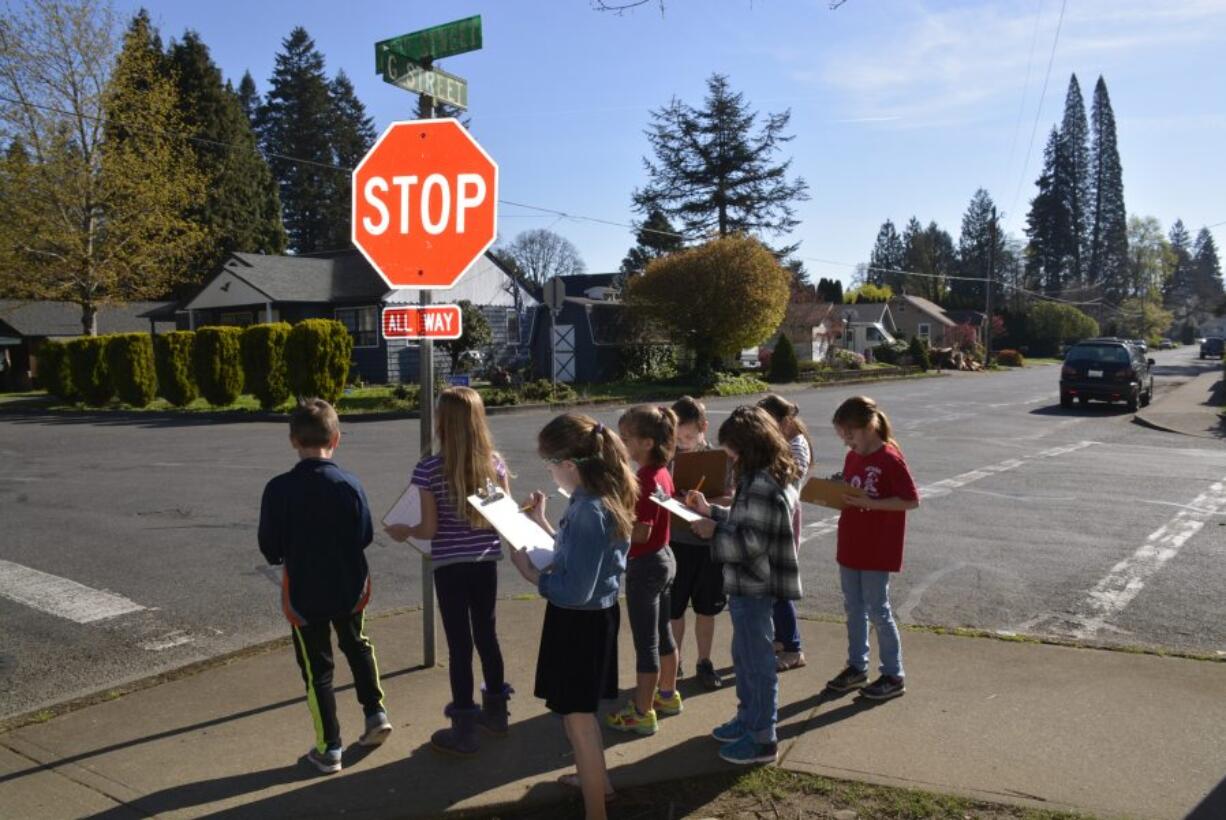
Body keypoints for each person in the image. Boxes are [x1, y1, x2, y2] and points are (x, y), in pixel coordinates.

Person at [508, 413, 637, 820]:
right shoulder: (598, 499)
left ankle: (596, 811)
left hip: (578, 623)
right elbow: (579, 558)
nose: (549, 473)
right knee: (577, 716)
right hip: (594, 620)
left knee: (579, 722)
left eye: (550, 465)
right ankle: (597, 782)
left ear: (569, 466)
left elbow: (574, 588)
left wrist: (531, 575)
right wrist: (542, 522)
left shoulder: (586, 512)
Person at [258, 399, 392, 775]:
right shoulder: (349, 483)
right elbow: (364, 534)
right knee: (357, 645)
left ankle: (329, 746)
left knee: (317, 669)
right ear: (336, 438)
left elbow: (269, 545)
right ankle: (375, 712)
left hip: (304, 591)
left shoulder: (278, 489)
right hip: (349, 584)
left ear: (292, 440)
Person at [384, 386, 512, 756]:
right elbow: (504, 520)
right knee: (487, 635)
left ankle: (464, 728)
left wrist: (403, 531)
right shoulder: (495, 464)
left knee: (459, 644)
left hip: (449, 566)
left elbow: (429, 530)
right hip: (485, 562)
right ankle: (498, 714)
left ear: (442, 422)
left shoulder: (428, 469)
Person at [686, 406, 800, 765]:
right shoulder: (757, 477)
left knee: (757, 662)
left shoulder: (763, 483)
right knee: (745, 657)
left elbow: (752, 541)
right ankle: (748, 718)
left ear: (749, 445)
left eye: (732, 449)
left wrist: (712, 531)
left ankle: (763, 737)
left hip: (755, 584)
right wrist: (712, 512)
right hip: (746, 584)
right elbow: (744, 520)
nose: (728, 455)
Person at [825, 395, 920, 701]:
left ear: (868, 427)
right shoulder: (854, 457)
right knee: (853, 607)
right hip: (851, 542)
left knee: (878, 609)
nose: (846, 443)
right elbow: (854, 484)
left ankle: (893, 674)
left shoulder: (890, 458)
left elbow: (911, 500)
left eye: (849, 435)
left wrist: (870, 503)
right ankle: (856, 666)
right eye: (843, 436)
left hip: (877, 547)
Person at [605, 405, 680, 736]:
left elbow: (641, 532)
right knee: (663, 634)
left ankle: (642, 711)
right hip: (664, 559)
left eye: (626, 438)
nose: (622, 443)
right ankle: (667, 694)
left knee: (645, 643)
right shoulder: (662, 472)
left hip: (646, 565)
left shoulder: (645, 480)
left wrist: (613, 522)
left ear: (647, 443)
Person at [667, 395, 727, 690]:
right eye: (678, 437)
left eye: (689, 436)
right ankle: (673, 663)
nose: (684, 443)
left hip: (708, 547)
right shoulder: (668, 458)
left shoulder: (719, 459)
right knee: (674, 609)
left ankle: (704, 661)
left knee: (706, 608)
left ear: (704, 427)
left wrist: (703, 503)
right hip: (676, 543)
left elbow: (731, 497)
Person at [757, 394, 813, 673]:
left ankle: (793, 648)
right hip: (773, 519)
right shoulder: (781, 443)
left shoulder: (796, 445)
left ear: (785, 421)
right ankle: (781, 639)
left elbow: (790, 478)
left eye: (767, 424)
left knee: (780, 588)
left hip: (784, 520)